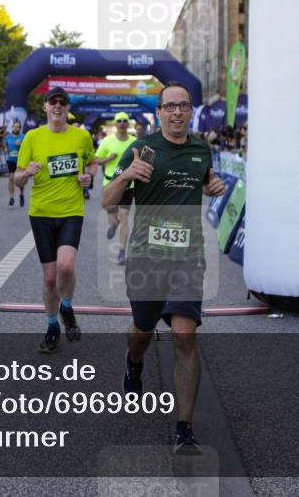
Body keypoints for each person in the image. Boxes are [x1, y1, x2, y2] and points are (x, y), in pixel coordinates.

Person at [102, 82, 227, 454]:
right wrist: (126, 175)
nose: (176, 112)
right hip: (146, 256)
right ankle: (134, 360)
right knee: (142, 330)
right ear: (158, 112)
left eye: (183, 106)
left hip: (189, 255)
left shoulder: (201, 149)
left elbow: (204, 183)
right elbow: (107, 201)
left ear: (190, 111)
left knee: (185, 335)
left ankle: (184, 429)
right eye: (169, 106)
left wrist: (211, 187)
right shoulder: (142, 149)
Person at [13, 86, 94, 354]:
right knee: (49, 279)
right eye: (53, 102)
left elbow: (92, 163)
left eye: (62, 102)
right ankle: (52, 326)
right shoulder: (32, 137)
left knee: (66, 267)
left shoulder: (82, 136)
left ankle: (66, 307)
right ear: (46, 107)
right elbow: (17, 178)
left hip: (71, 210)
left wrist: (89, 177)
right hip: (41, 213)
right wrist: (27, 173)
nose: (57, 106)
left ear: (68, 108)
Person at [93, 112, 137, 265]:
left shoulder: (135, 142)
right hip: (110, 183)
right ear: (115, 123)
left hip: (128, 185)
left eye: (125, 121)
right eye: (119, 121)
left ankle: (122, 251)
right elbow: (96, 160)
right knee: (112, 216)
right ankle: (113, 223)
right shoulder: (107, 141)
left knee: (125, 217)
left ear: (128, 123)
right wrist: (108, 158)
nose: (122, 123)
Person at [4, 121, 26, 207]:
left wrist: (21, 145)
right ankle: (11, 198)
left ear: (20, 128)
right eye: (14, 127)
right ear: (12, 127)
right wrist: (6, 149)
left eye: (17, 127)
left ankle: (21, 194)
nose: (16, 128)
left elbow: (27, 147)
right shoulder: (8, 137)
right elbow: (5, 147)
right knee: (11, 178)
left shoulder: (23, 137)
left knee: (20, 180)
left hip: (20, 160)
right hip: (10, 160)